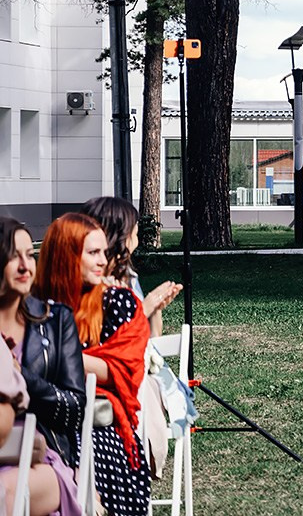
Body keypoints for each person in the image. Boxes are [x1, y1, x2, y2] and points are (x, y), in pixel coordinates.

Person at [34, 213, 151, 516]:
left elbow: (124, 369)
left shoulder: (116, 303)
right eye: (93, 253)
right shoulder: (35, 306)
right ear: (66, 255)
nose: (103, 261)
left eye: (104, 252)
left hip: (98, 431)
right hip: (41, 424)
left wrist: (56, 356)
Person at [0, 216, 81, 516]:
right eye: (12, 256)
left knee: (3, 492)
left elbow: (75, 409)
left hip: (42, 457)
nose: (25, 266)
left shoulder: (56, 320)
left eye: (29, 255)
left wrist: (22, 377)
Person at [80, 196, 181, 338]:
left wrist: (156, 308)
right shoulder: (90, 284)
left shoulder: (128, 275)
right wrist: (146, 307)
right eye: (134, 230)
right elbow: (112, 342)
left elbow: (151, 341)